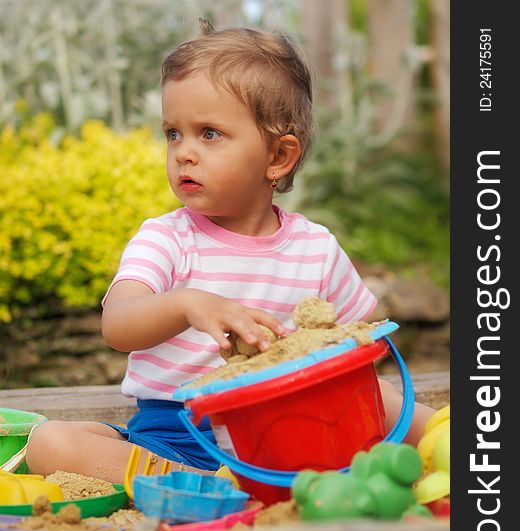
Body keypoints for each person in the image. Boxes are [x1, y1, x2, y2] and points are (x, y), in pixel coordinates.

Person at [26, 21, 433, 482]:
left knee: (379, 393)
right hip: (177, 440)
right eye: (173, 133)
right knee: (51, 442)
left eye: (210, 134)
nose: (184, 153)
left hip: (287, 436)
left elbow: (367, 345)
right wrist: (188, 304)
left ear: (278, 157)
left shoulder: (315, 248)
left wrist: (311, 366)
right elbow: (118, 325)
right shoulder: (167, 239)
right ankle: (193, 484)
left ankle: (453, 443)